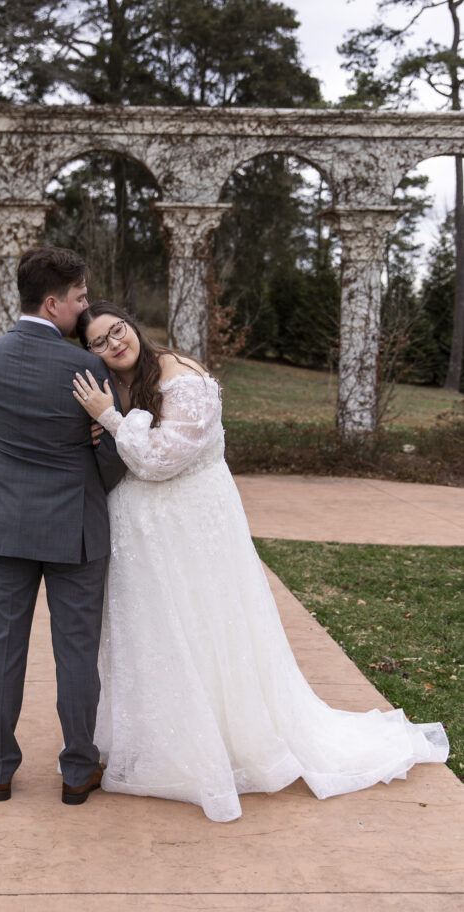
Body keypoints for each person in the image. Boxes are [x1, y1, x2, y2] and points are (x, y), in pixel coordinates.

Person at [72, 300, 449, 823]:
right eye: (99, 342)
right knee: (157, 633)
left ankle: (225, 741)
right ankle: (160, 739)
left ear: (134, 327)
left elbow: (161, 459)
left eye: (118, 331)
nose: (114, 343)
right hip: (148, 538)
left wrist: (110, 420)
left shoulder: (183, 375)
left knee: (207, 628)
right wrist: (106, 423)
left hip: (193, 529)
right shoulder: (124, 382)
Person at [0, 249, 126, 806]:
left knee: (3, 647)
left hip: (6, 522)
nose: (84, 310)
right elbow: (112, 458)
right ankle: (78, 770)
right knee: (77, 651)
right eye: (80, 298)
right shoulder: (87, 367)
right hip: (75, 527)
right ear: (53, 302)